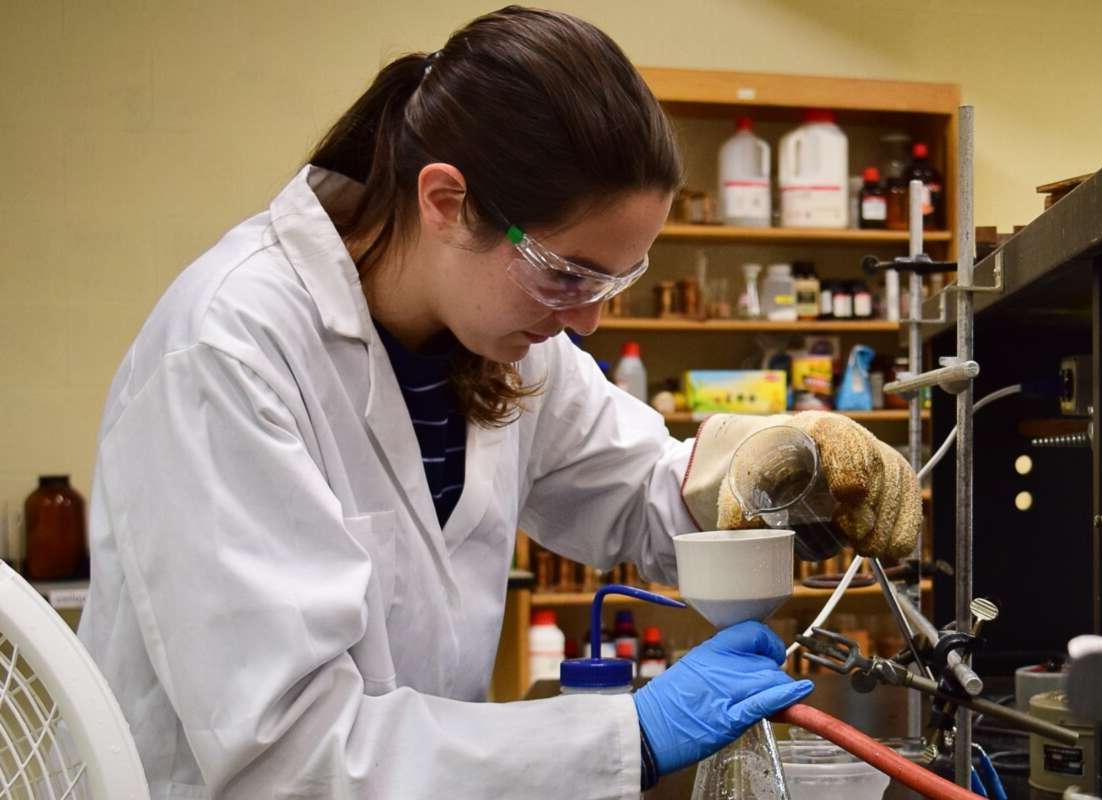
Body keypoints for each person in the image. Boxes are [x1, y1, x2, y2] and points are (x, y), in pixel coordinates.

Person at [76, 7, 918, 799]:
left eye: (615, 279)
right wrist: (630, 736)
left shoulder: (502, 338)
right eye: (568, 273)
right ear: (445, 202)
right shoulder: (227, 351)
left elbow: (639, 494)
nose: (585, 318)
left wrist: (777, 469)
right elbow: (290, 755)